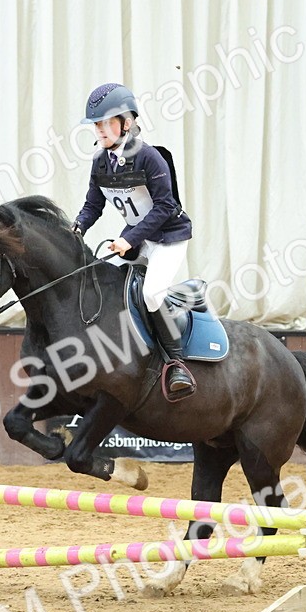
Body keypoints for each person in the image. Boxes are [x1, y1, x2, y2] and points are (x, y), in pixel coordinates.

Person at [71, 82, 197, 400]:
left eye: (105, 122)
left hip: (168, 239)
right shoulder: (101, 162)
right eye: (96, 124)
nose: (99, 130)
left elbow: (166, 206)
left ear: (126, 123)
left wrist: (128, 239)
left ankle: (176, 363)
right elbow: (92, 206)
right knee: (101, 277)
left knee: (152, 294)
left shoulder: (150, 158)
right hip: (138, 242)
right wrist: (76, 229)